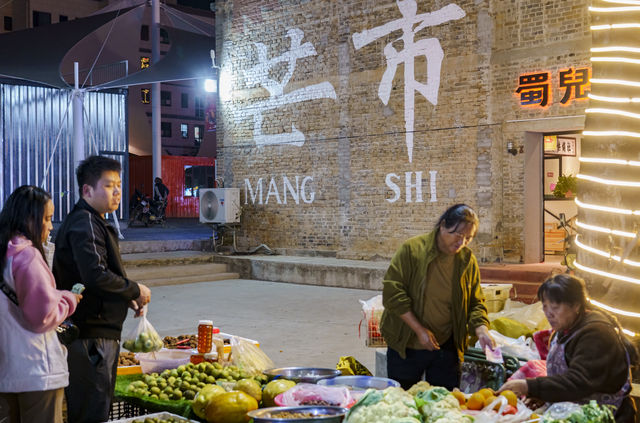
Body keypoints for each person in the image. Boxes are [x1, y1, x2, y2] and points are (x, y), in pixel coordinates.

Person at [53, 156, 151, 423]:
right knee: (91, 410)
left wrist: (125, 294)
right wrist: (134, 289)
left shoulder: (92, 220)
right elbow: (95, 275)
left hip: (97, 332)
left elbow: (98, 275)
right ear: (87, 190)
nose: (117, 191)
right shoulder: (84, 222)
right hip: (91, 336)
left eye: (119, 184)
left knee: (96, 407)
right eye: (109, 186)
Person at [380, 203, 495, 390]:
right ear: (442, 226)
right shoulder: (413, 251)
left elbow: (475, 302)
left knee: (443, 402)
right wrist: (419, 330)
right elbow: (393, 292)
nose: (462, 243)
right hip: (406, 345)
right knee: (402, 402)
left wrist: (481, 329)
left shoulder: (466, 260)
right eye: (458, 235)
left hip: (446, 346)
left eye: (469, 238)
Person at [499, 274, 637, 422]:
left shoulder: (596, 334)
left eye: (555, 307)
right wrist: (545, 395)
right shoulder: (566, 328)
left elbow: (578, 381)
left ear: (576, 305)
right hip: (577, 413)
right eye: (545, 306)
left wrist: (529, 386)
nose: (548, 313)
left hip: (605, 416)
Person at [0, 186, 80, 423]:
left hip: (8, 370)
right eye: (46, 218)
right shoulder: (27, 256)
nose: (50, 226)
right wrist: (68, 300)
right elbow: (42, 317)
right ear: (28, 219)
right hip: (36, 371)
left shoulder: (5, 252)